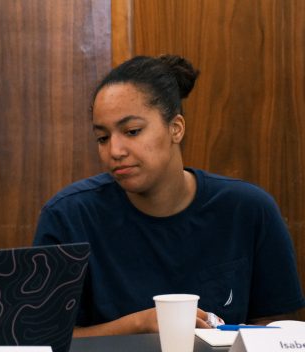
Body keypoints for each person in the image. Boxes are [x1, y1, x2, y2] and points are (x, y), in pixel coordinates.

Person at [33, 55, 305, 337]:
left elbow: (278, 331)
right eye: (102, 137)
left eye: (132, 131)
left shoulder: (249, 210)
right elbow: (46, 338)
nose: (114, 151)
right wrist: (139, 325)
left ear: (176, 128)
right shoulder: (68, 217)